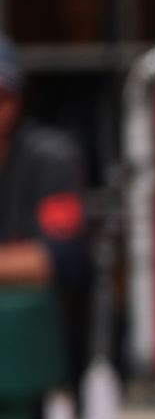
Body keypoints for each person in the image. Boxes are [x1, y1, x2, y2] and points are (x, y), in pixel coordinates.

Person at [0, 33, 89, 318]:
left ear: (16, 101)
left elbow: (59, 260)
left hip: (34, 334)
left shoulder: (52, 158)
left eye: (1, 97)